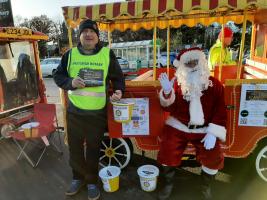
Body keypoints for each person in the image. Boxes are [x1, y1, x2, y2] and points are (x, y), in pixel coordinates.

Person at [53, 19, 125, 200]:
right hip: (75, 112)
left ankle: (92, 182)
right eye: (85, 32)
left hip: (97, 114)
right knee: (76, 149)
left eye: (92, 32)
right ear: (80, 35)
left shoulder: (107, 54)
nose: (88, 35)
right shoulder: (69, 55)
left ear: (97, 36)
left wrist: (118, 91)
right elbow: (57, 75)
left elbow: (118, 77)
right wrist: (70, 83)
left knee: (93, 149)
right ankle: (78, 179)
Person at [157, 47, 227, 200]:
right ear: (182, 66)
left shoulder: (215, 85)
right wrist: (168, 92)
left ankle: (205, 187)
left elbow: (220, 111)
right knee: (167, 147)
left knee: (213, 155)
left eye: (195, 62)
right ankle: (168, 184)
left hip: (204, 129)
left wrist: (213, 132)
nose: (193, 66)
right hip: (178, 125)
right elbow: (169, 108)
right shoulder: (178, 84)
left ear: (202, 62)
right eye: (188, 64)